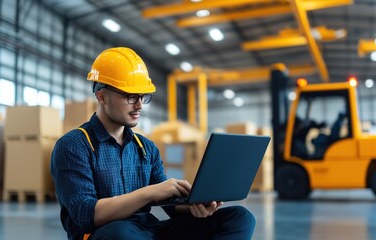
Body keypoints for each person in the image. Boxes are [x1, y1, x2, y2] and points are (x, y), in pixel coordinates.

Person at [50, 47, 256, 240]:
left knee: (239, 217)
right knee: (120, 232)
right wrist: (149, 192)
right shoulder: (74, 145)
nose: (139, 105)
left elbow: (170, 206)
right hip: (106, 234)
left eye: (142, 96)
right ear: (102, 96)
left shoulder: (146, 148)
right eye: (131, 96)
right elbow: (85, 214)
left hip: (147, 230)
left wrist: (196, 204)